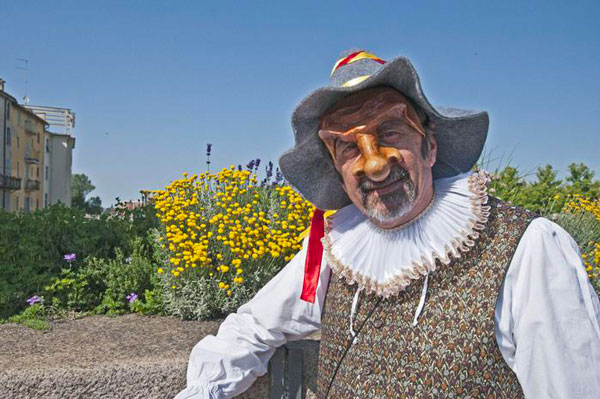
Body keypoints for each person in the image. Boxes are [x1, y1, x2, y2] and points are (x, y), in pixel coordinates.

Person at [174, 50, 600, 398]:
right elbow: (254, 327)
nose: (375, 165)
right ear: (337, 171)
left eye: (391, 131)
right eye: (348, 148)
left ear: (429, 145)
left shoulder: (526, 249)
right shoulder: (335, 247)